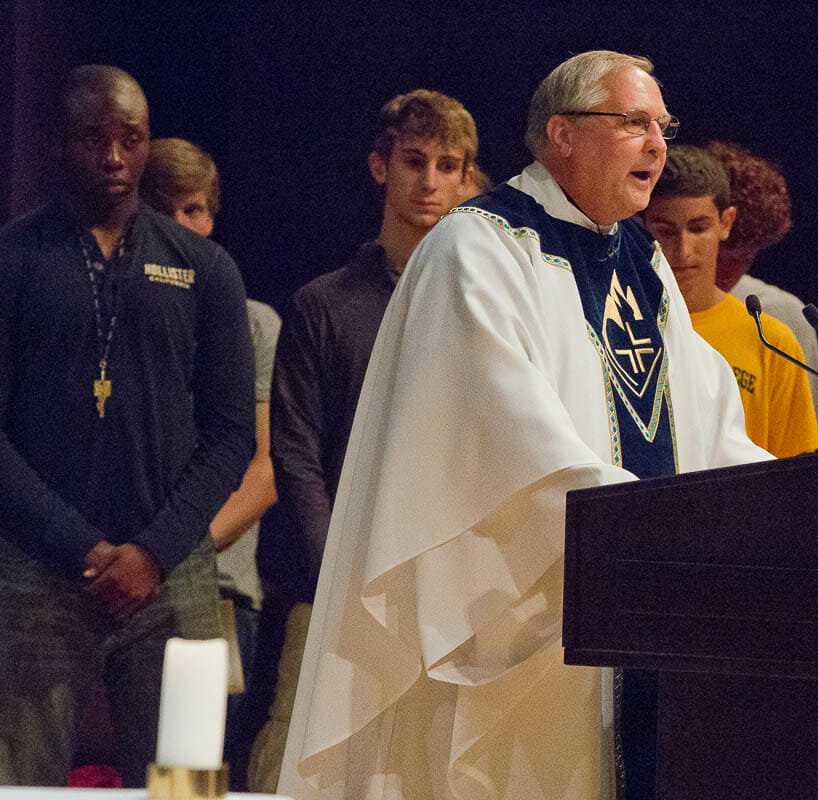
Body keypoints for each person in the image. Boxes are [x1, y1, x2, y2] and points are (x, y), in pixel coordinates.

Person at [276, 50, 767, 800]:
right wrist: (641, 521)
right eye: (634, 123)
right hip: (520, 618)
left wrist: (782, 499)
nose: (656, 145)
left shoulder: (641, 260)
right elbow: (504, 436)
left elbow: (704, 420)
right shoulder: (479, 247)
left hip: (637, 615)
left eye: (662, 127)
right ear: (562, 134)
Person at [0, 65, 255, 786]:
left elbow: (232, 431)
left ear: (148, 143)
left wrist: (153, 550)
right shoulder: (14, 260)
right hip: (38, 568)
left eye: (131, 139)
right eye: (94, 139)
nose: (114, 157)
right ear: (58, 143)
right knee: (18, 783)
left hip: (171, 570)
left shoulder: (205, 268)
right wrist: (79, 545)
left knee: (185, 785)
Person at [249, 89, 479, 792]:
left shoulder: (483, 305)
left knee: (423, 771)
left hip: (442, 596)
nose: (430, 181)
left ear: (466, 178)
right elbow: (296, 454)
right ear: (380, 166)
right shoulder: (325, 303)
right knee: (300, 762)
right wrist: (336, 578)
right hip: (331, 588)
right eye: (414, 161)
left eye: (448, 165)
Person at [141, 136, 280, 790]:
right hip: (115, 581)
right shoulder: (119, 314)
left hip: (218, 585)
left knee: (191, 777)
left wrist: (170, 551)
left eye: (195, 209)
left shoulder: (253, 324)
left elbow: (264, 472)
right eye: (165, 209)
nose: (182, 226)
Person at [643, 144, 818, 457]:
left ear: (726, 223)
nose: (683, 250)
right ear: (642, 227)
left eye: (698, 228)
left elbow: (796, 471)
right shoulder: (619, 325)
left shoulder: (772, 340)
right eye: (666, 231)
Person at [706, 140, 818, 433]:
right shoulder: (647, 301)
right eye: (720, 256)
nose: (726, 270)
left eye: (743, 258)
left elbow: (809, 439)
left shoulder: (786, 315)